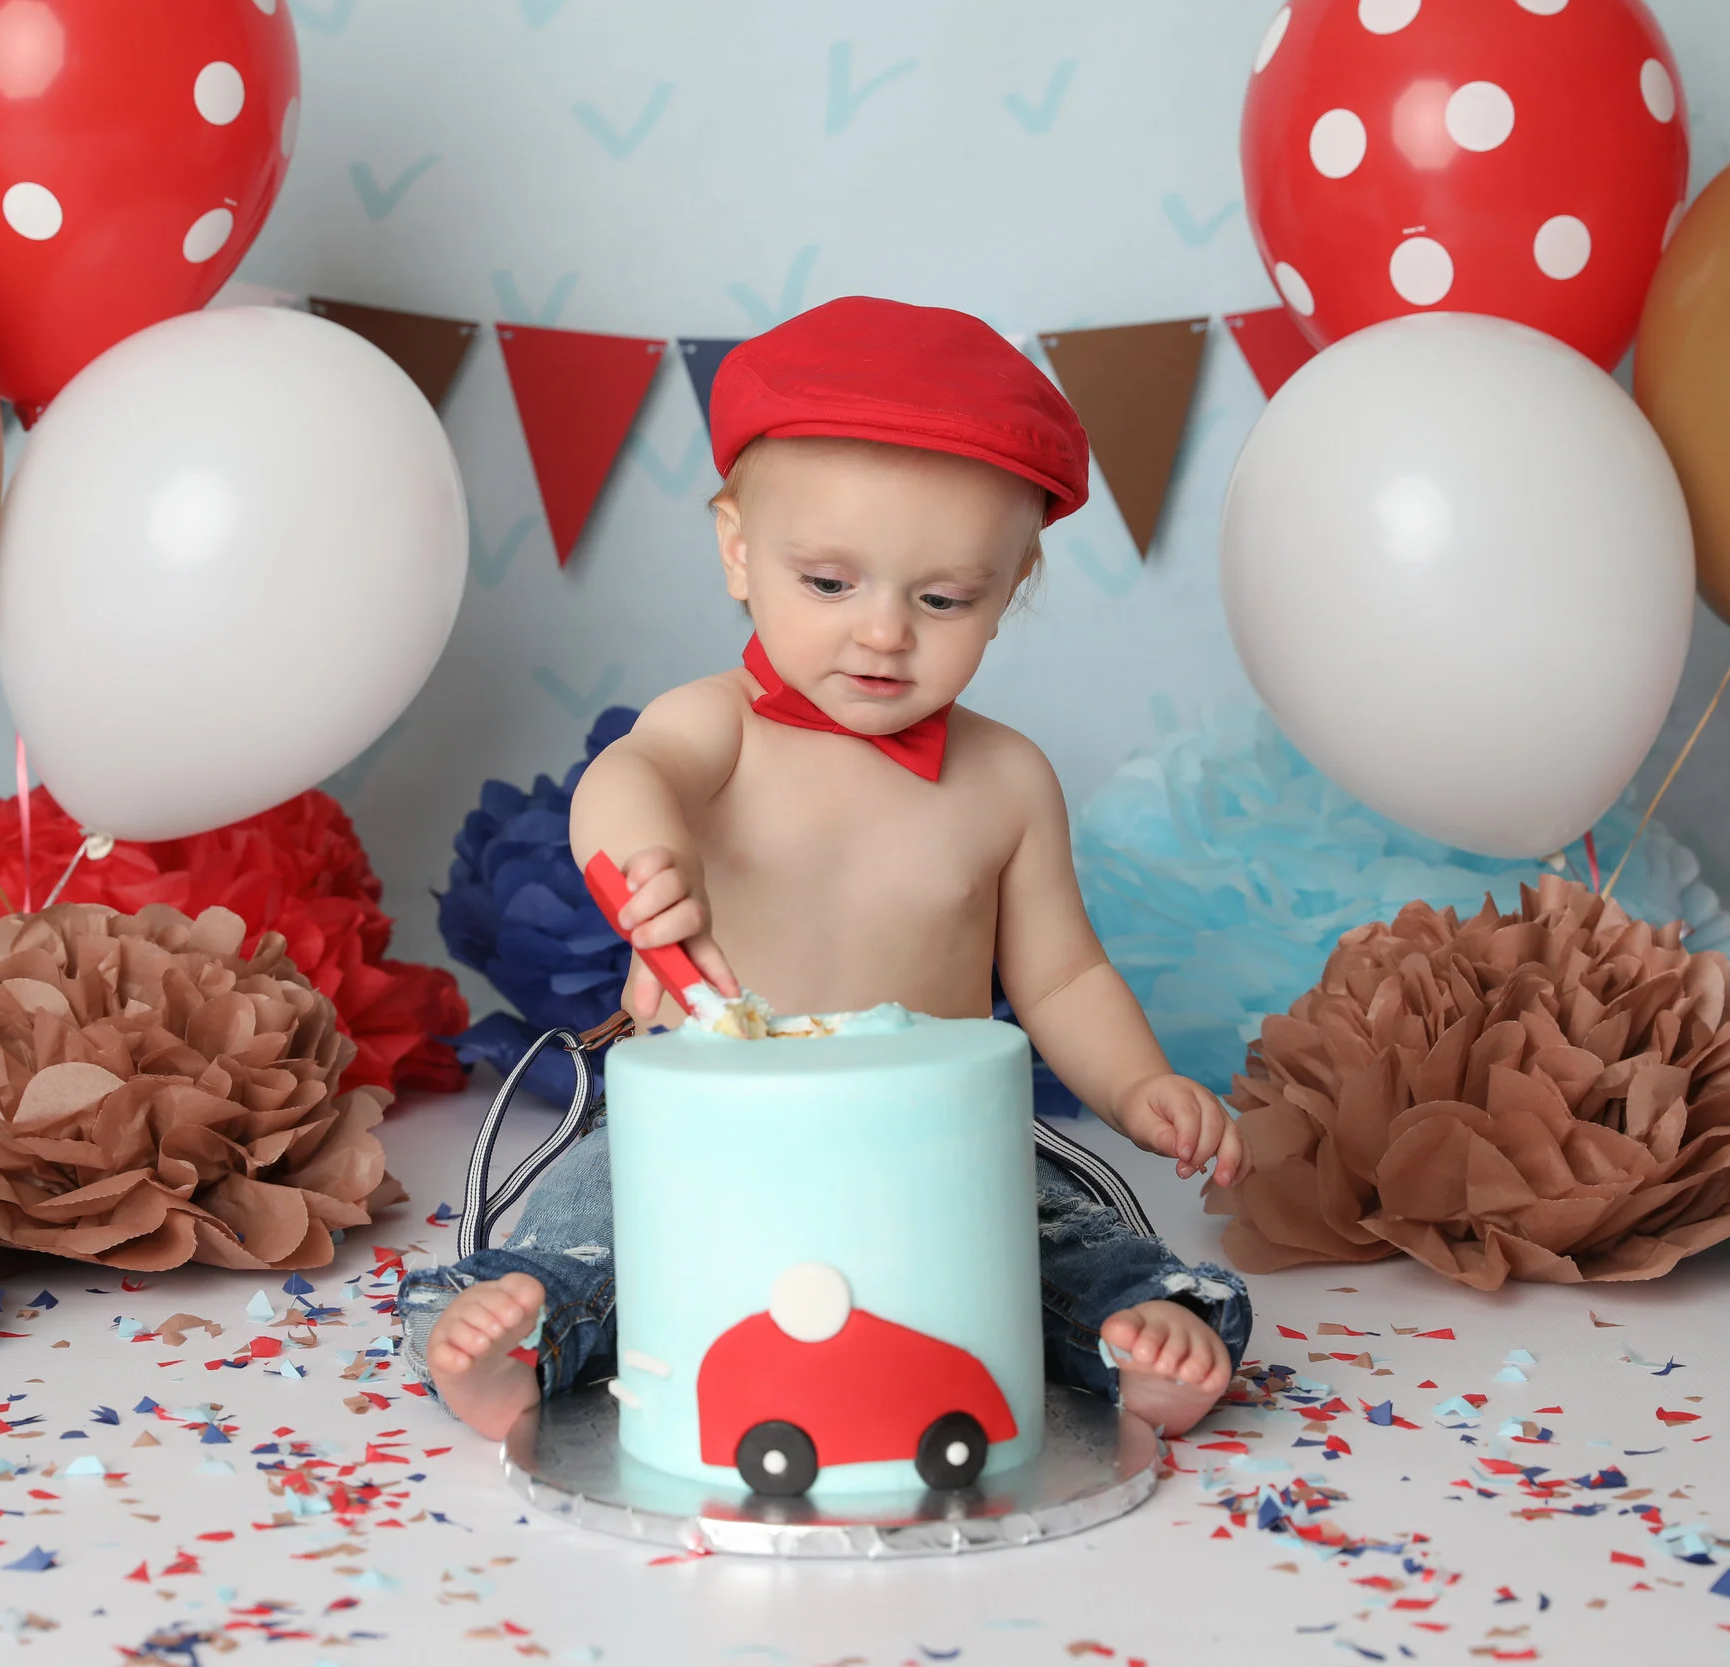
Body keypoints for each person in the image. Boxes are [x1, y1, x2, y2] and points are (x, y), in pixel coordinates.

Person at [403, 296, 1252, 1443]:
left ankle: (1130, 1331)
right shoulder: (720, 726)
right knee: (591, 1216)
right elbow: (629, 773)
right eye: (830, 583)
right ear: (738, 550)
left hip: (934, 1149)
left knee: (1059, 1234)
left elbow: (1061, 977)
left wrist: (1138, 1083)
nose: (884, 633)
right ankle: (528, 1329)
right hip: (706, 1130)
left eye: (941, 598)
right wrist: (649, 862)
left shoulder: (1006, 780)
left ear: (1012, 587)